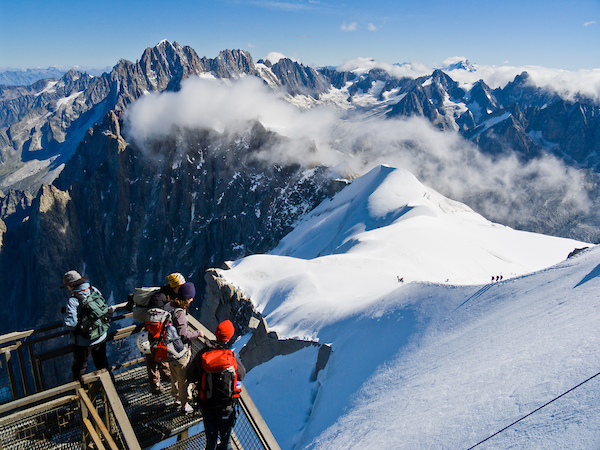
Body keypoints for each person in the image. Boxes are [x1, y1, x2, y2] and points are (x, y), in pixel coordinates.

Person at [187, 320, 246, 450]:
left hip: (207, 406)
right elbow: (241, 375)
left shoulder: (203, 355)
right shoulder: (232, 356)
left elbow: (189, 375)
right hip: (227, 406)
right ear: (229, 337)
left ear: (216, 334)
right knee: (226, 440)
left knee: (211, 440)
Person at [60, 270, 110, 383]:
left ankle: (82, 392)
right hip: (101, 335)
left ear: (72, 285)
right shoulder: (94, 290)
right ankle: (110, 386)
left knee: (80, 368)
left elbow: (71, 324)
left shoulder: (73, 301)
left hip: (84, 342)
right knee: (102, 364)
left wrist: (64, 314)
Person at [142, 272, 187, 394]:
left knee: (160, 354)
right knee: (152, 357)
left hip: (163, 333)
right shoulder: (159, 298)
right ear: (175, 286)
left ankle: (164, 375)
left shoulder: (168, 296)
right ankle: (156, 383)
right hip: (155, 333)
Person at [164, 281, 204, 414]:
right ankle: (184, 404)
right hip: (180, 352)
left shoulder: (168, 305)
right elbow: (183, 334)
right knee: (184, 379)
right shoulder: (179, 313)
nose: (192, 299)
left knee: (174, 375)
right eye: (190, 297)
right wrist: (198, 333)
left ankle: (175, 399)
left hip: (169, 350)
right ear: (186, 298)